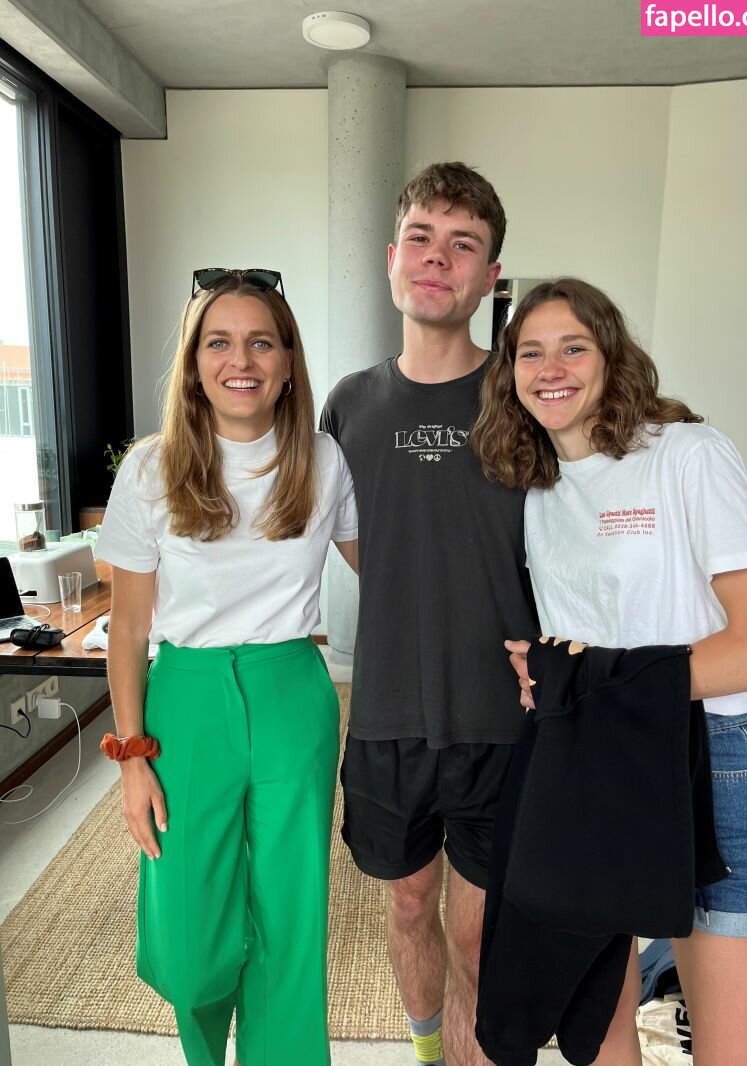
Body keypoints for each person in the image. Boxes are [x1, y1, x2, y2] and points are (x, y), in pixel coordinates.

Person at [471, 276, 747, 1066]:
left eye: (573, 348)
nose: (551, 369)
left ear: (611, 356)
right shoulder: (539, 486)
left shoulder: (686, 454)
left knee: (738, 1054)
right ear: (509, 373)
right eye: (529, 353)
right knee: (595, 1036)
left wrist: (586, 681)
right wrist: (545, 674)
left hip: (705, 759)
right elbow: (582, 646)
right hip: (590, 763)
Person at [95, 268, 358, 1066]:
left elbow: (392, 572)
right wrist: (131, 758)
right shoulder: (149, 469)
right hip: (187, 700)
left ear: (288, 362)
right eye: (219, 342)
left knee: (289, 919)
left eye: (260, 342)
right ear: (194, 361)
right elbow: (129, 626)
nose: (240, 360)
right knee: (188, 934)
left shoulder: (323, 460)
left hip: (292, 694)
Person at [321, 162, 537, 1066]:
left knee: (480, 937)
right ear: (391, 259)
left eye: (463, 245)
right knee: (409, 902)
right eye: (422, 238)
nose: (437, 259)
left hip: (504, 716)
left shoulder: (527, 396)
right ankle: (423, 1053)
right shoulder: (348, 404)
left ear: (490, 277)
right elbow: (351, 538)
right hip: (387, 715)